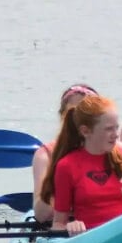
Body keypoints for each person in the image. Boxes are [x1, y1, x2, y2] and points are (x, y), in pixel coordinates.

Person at [39, 94, 122, 235]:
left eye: (116, 128)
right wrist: (70, 227)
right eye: (108, 129)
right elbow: (58, 224)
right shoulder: (66, 166)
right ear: (85, 131)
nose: (115, 135)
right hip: (90, 238)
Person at [31, 83, 99, 223]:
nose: (82, 120)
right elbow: (41, 214)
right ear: (63, 116)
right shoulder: (45, 156)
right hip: (62, 228)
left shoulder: (113, 150)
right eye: (75, 113)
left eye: (89, 113)